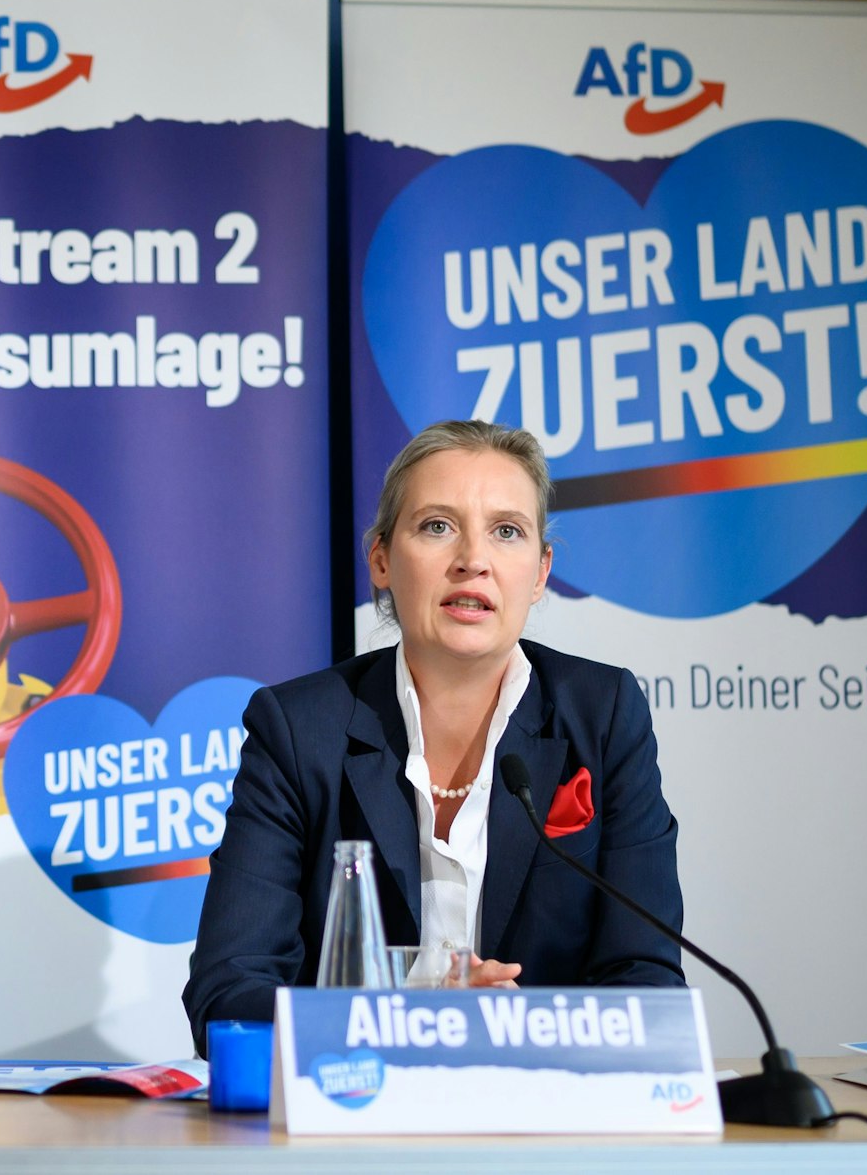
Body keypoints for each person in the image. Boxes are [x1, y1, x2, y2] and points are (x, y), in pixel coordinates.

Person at [183, 419, 682, 1053]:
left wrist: (510, 1030)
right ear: (383, 560)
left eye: (507, 531)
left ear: (539, 572)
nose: (473, 560)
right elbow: (227, 996)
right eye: (437, 526)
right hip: (350, 1120)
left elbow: (648, 984)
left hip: (550, 1124)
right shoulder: (296, 729)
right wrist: (415, 1024)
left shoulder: (604, 716)